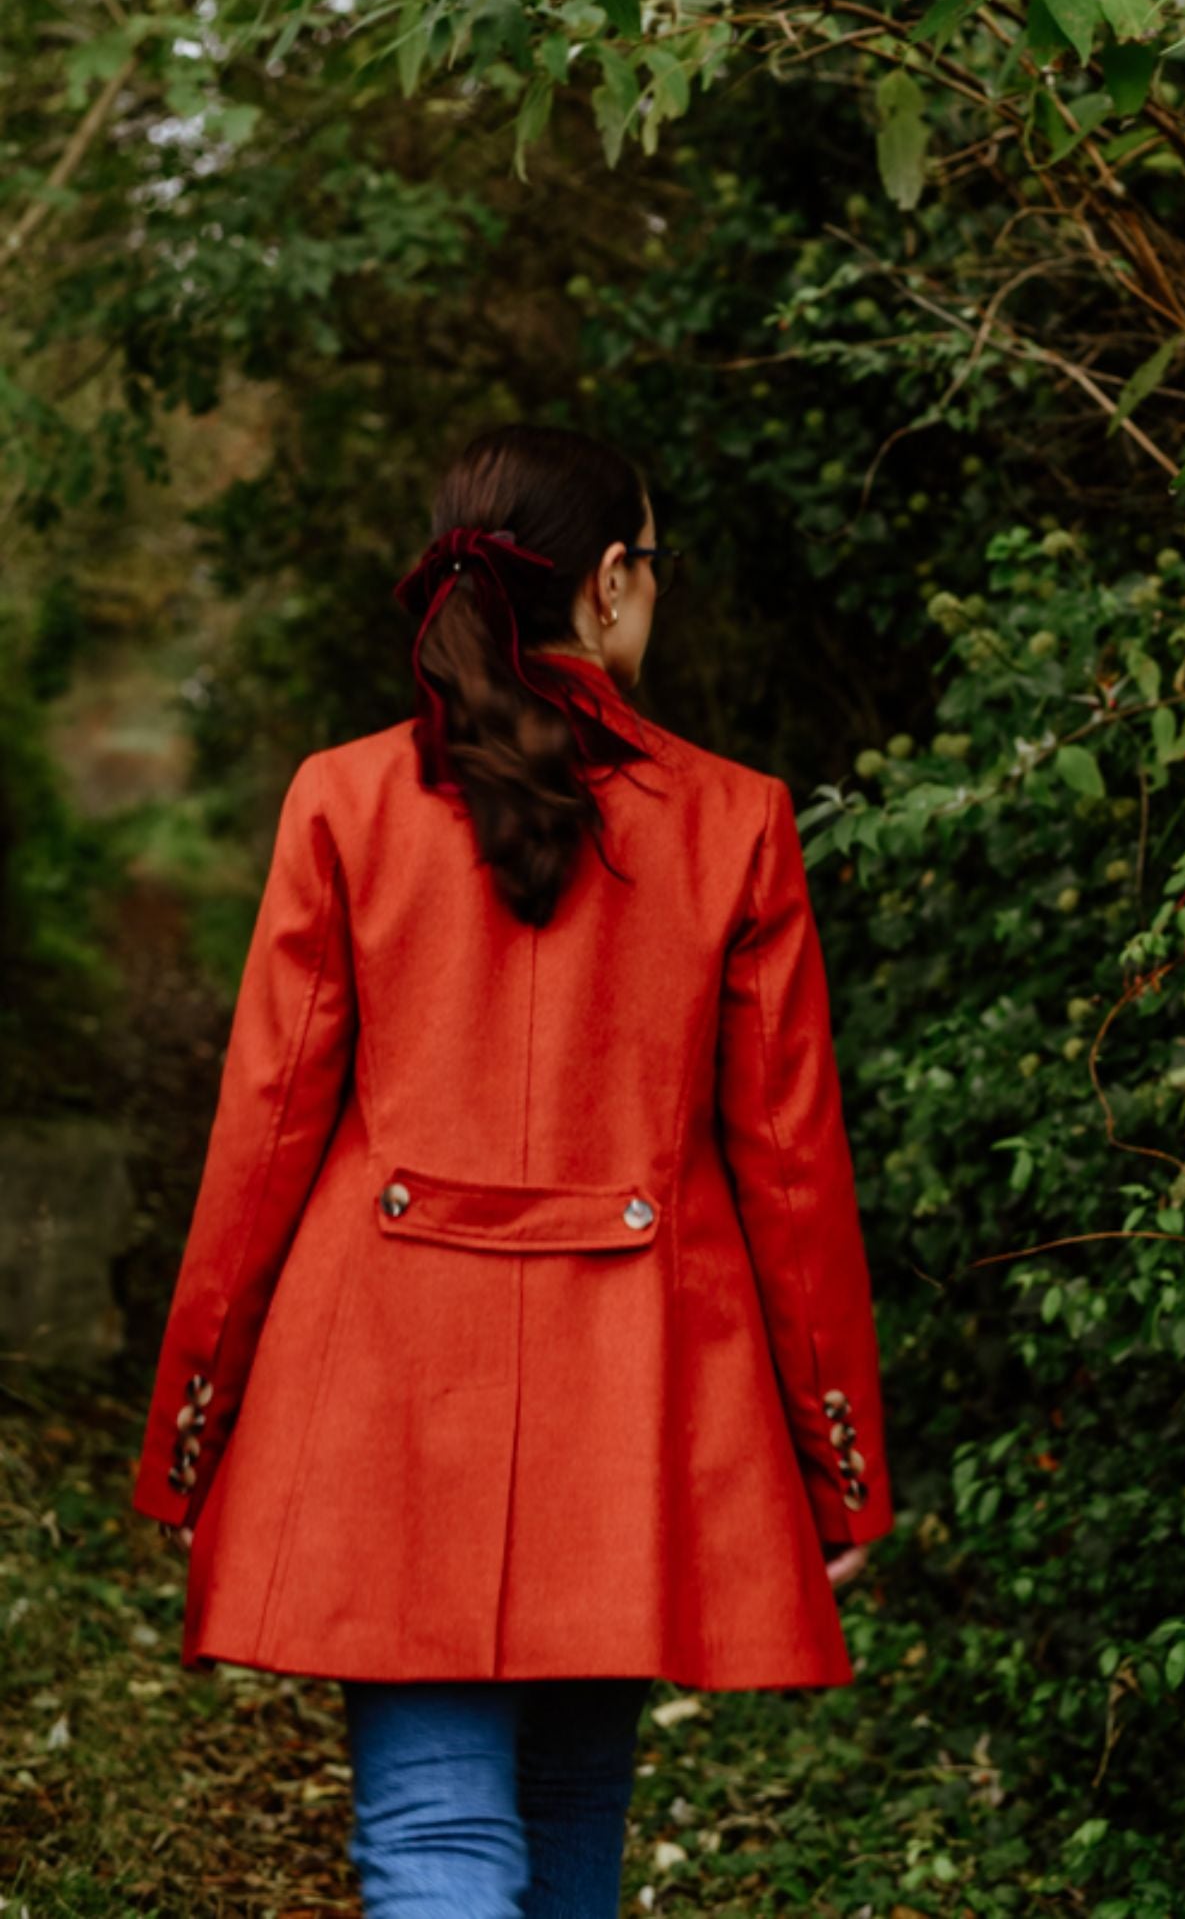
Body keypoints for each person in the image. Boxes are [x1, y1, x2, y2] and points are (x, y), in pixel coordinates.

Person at [128, 423, 896, 1917]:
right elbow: (790, 1175)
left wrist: (194, 1426)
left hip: (385, 1397)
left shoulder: (343, 802)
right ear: (611, 584)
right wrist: (834, 1465)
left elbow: (265, 1133)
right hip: (638, 1394)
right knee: (568, 1816)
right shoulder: (738, 822)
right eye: (652, 565)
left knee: (432, 1832)